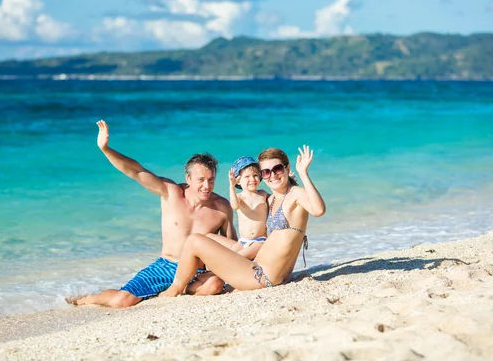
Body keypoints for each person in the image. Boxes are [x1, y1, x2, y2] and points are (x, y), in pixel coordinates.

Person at [68, 120, 237, 308]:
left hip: (197, 272)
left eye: (211, 180)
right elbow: (136, 171)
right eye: (201, 180)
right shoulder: (171, 193)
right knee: (121, 301)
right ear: (188, 179)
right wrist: (106, 149)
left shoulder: (222, 207)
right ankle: (89, 299)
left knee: (214, 285)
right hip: (166, 266)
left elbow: (232, 249)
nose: (207, 186)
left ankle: (175, 290)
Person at [160, 145, 325, 296]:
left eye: (277, 169)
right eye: (266, 172)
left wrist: (303, 173)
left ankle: (175, 289)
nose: (272, 175)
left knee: (194, 240)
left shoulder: (296, 193)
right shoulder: (272, 199)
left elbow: (318, 210)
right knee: (206, 237)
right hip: (259, 269)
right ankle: (199, 279)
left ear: (287, 169)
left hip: (261, 276)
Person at [207, 156, 269, 260]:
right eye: (247, 177)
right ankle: (212, 271)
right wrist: (231, 186)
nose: (252, 179)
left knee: (236, 258)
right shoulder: (240, 197)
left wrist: (290, 181)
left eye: (255, 175)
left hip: (260, 240)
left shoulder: (263, 194)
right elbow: (235, 206)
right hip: (243, 240)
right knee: (226, 256)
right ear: (238, 181)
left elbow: (279, 198)